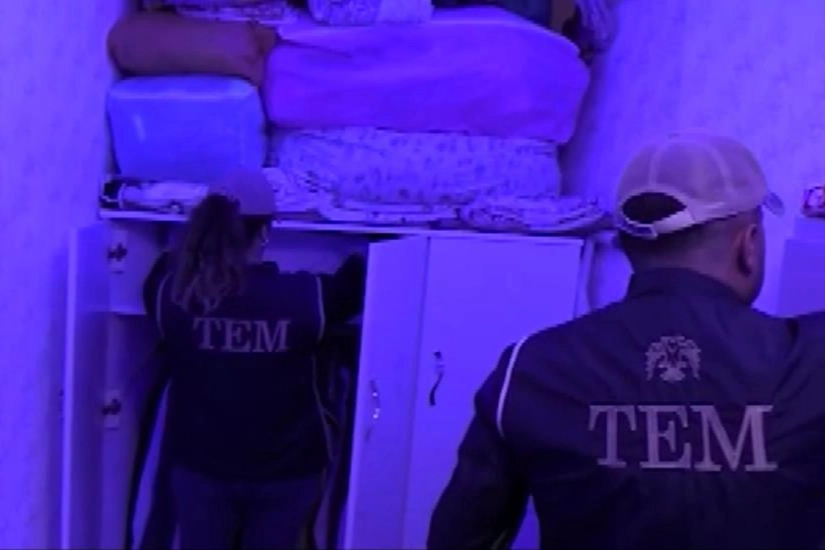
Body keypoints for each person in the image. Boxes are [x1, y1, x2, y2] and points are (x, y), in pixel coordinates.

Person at [428, 131, 825, 550]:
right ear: (749, 246)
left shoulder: (531, 367)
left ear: (627, 246)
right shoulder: (812, 360)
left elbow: (459, 540)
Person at [141, 169, 366, 550]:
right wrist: (362, 253)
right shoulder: (302, 297)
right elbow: (352, 285)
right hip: (287, 473)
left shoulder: (172, 297)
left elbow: (160, 271)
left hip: (200, 469)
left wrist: (193, 250)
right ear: (263, 233)